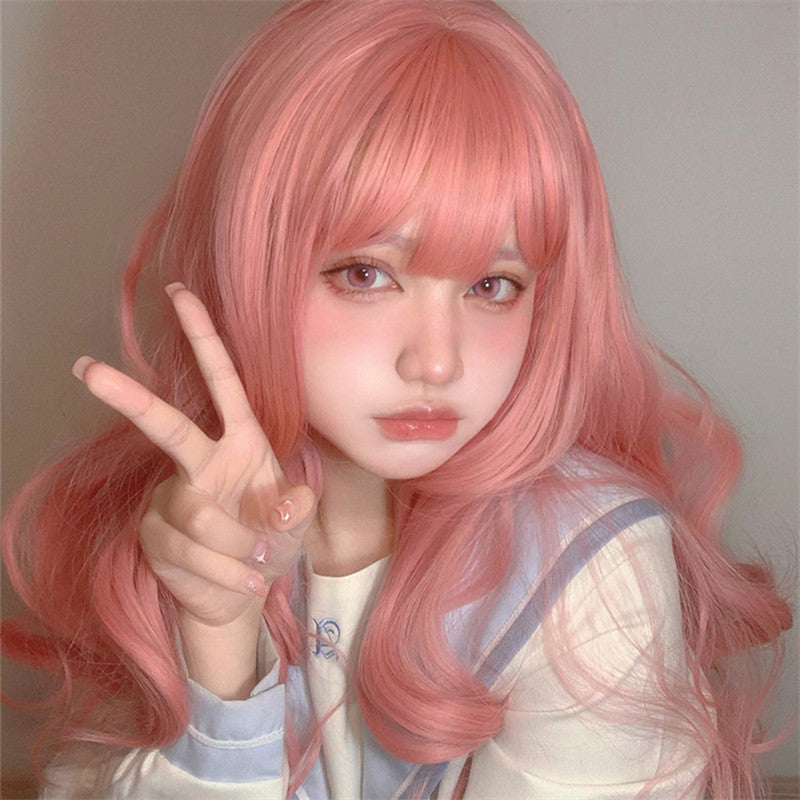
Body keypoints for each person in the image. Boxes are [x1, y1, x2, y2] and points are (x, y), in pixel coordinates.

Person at [2, 0, 792, 798]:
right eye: (366, 274)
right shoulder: (189, 526)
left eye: (492, 285)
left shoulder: (587, 562)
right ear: (250, 263)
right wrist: (220, 649)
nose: (437, 362)